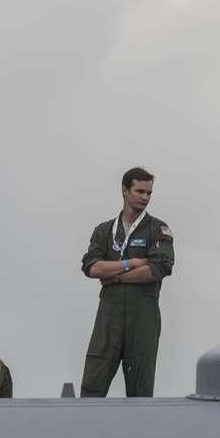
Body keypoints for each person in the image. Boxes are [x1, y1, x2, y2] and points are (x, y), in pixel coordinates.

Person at [78, 166, 174, 397]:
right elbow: (92, 267)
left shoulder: (158, 230)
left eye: (149, 193)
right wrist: (131, 263)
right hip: (108, 319)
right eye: (139, 191)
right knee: (92, 386)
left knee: (140, 392)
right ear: (124, 191)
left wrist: (115, 277)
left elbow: (157, 269)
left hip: (142, 319)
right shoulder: (104, 230)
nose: (144, 197)